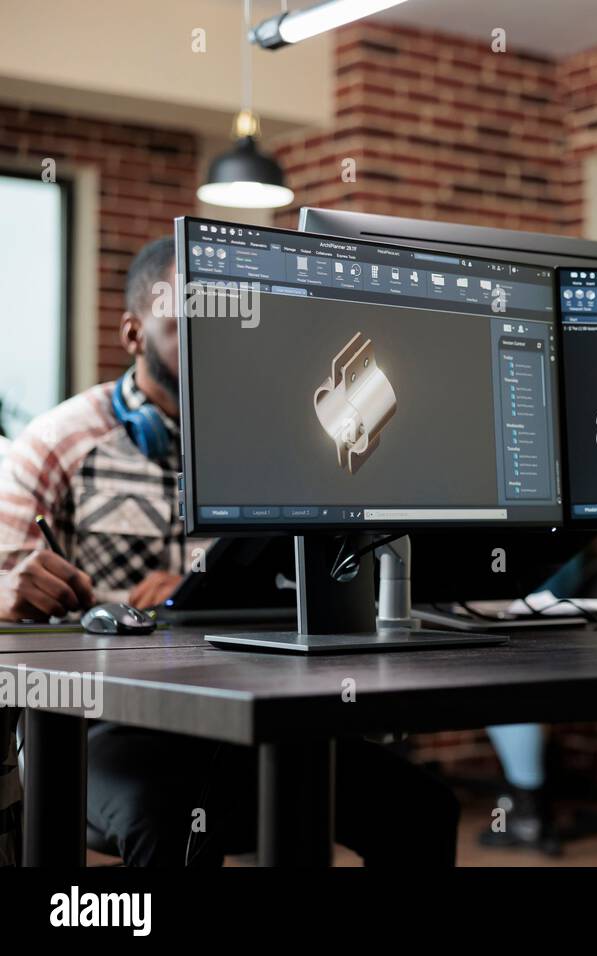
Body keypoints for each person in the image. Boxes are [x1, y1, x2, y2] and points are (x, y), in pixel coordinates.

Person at [0, 238, 460, 866]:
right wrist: (22, 595)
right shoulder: (55, 444)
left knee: (421, 805)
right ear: (133, 335)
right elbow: (8, 598)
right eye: (180, 326)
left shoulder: (281, 445)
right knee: (173, 818)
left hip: (246, 708)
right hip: (105, 726)